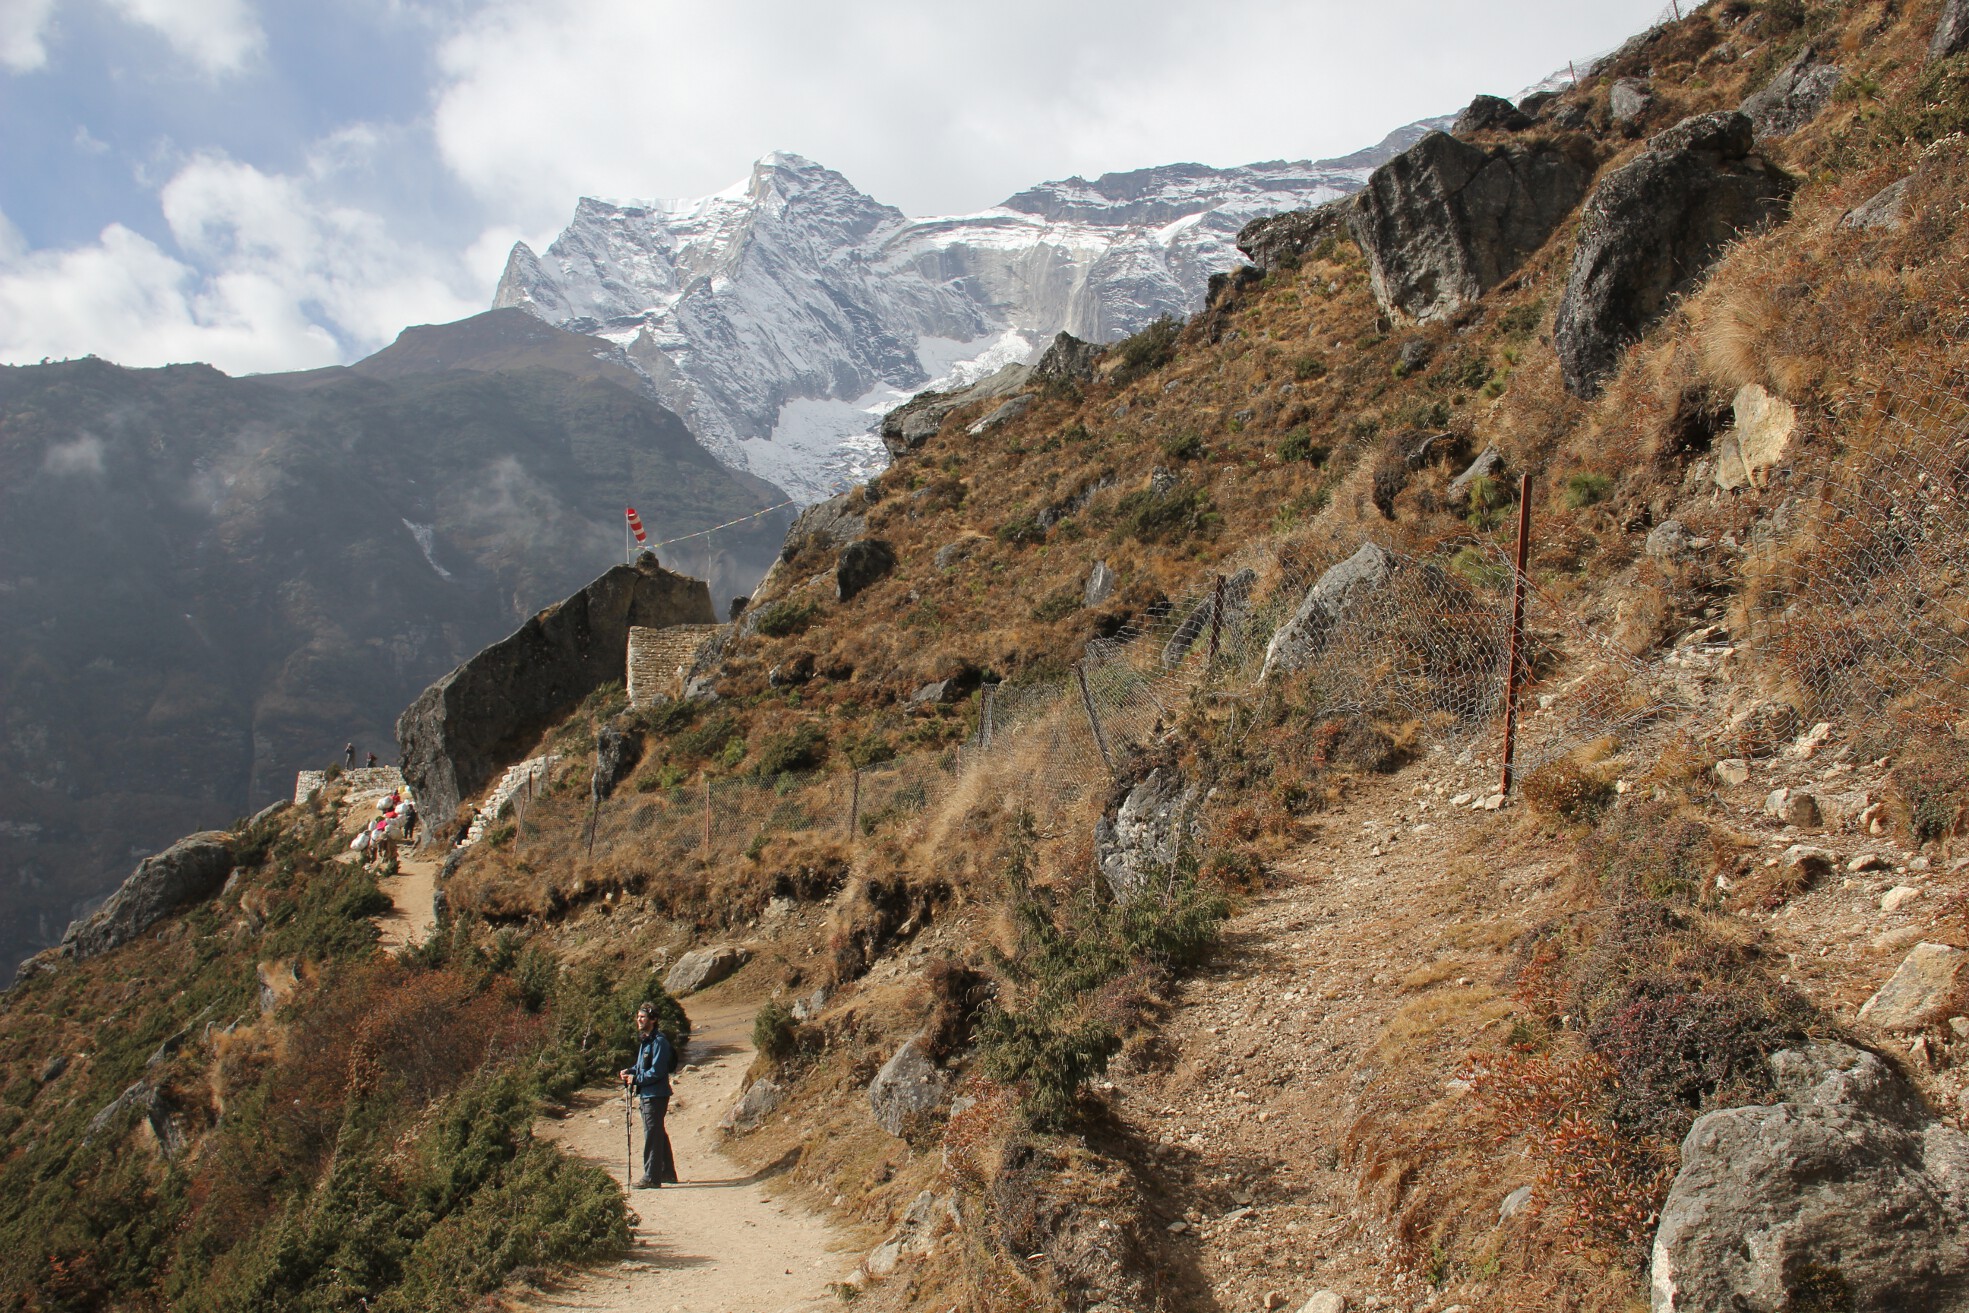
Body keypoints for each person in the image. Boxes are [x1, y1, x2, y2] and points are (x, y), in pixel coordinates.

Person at [620, 1004, 678, 1187]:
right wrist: (630, 1071)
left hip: (655, 1095)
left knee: (652, 1134)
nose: (639, 1020)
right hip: (649, 1094)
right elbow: (642, 1066)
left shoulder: (659, 1041)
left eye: (643, 1017)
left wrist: (636, 1079)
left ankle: (652, 1177)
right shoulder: (646, 1040)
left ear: (653, 1020)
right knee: (657, 1132)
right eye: (638, 1016)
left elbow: (657, 1071)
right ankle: (667, 1172)